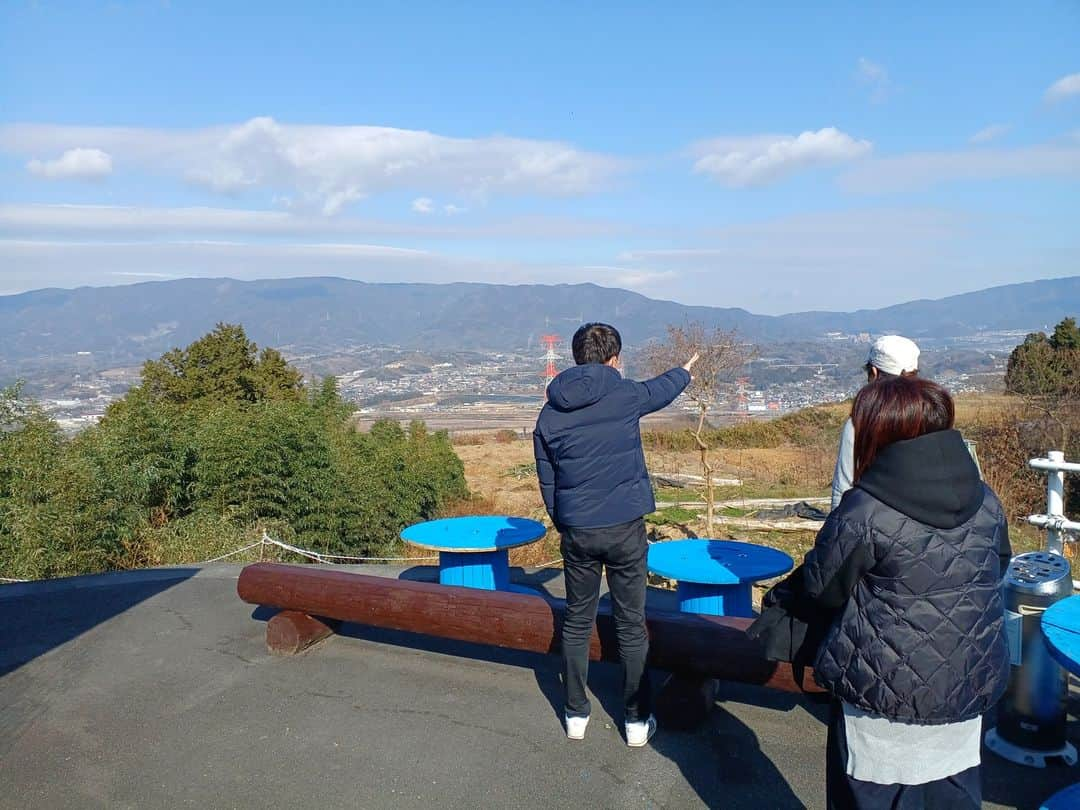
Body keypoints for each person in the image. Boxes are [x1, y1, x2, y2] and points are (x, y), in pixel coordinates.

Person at [766, 376, 1011, 809]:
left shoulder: (865, 509)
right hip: (964, 692)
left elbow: (823, 588)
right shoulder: (986, 500)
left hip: (881, 701)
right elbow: (1000, 567)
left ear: (878, 431)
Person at [533, 323, 696, 747]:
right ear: (615, 359)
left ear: (575, 357)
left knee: (576, 622)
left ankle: (574, 714)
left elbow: (547, 480)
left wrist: (564, 520)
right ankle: (637, 721)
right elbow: (661, 389)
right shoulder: (623, 395)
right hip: (625, 528)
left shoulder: (550, 413)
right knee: (631, 626)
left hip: (578, 531)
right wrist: (685, 370)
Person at [831, 335, 920, 511]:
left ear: (874, 373)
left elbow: (844, 488)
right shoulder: (935, 413)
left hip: (878, 522)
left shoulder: (861, 422)